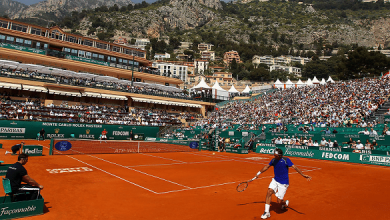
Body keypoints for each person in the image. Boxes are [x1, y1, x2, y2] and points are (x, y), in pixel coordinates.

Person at [251, 148, 312, 219]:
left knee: (279, 201)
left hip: (284, 183)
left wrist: (303, 175)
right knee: (269, 192)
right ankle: (267, 212)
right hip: (275, 180)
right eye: (274, 155)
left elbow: (295, 167)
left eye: (276, 155)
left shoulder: (286, 160)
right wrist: (258, 173)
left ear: (280, 155)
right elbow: (266, 167)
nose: (274, 157)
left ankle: (285, 203)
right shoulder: (273, 160)